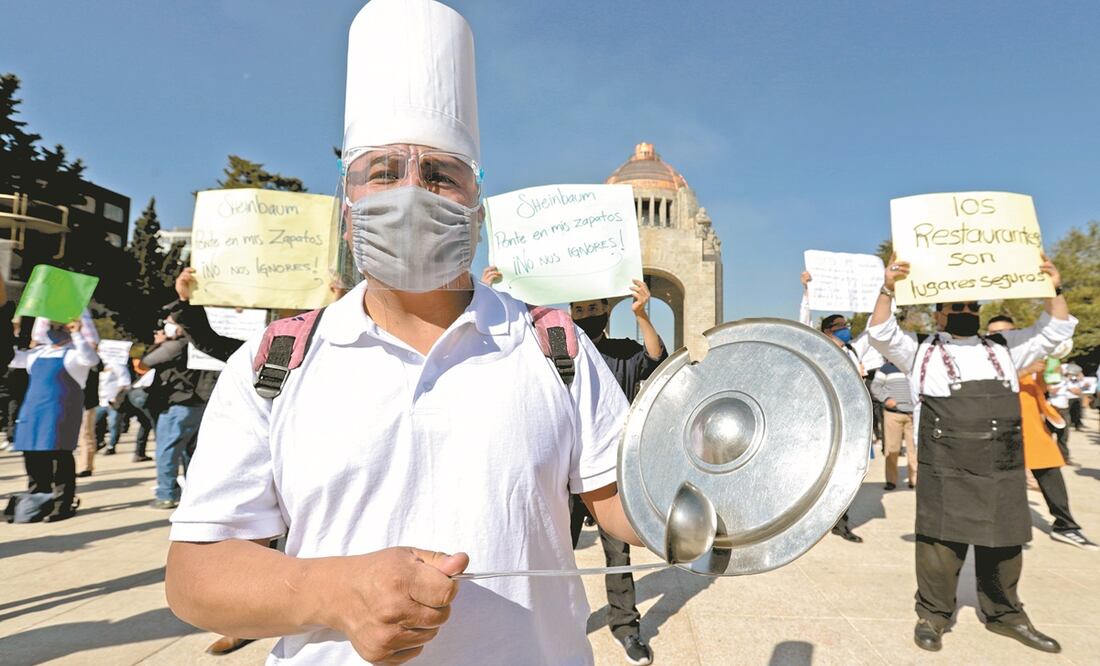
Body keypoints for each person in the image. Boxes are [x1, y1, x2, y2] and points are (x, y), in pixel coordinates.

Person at [165, 2, 640, 664]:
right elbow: (195, 577)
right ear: (348, 205)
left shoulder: (552, 345)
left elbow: (624, 504)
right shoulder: (275, 361)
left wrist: (722, 481)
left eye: (441, 174)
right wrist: (334, 591)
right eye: (384, 173)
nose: (413, 194)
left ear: (475, 207)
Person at [868, 254, 1073, 654]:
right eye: (956, 307)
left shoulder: (1006, 347)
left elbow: (1057, 329)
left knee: (1005, 543)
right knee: (939, 547)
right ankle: (933, 615)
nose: (966, 312)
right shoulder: (919, 350)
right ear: (938, 315)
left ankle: (1006, 615)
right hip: (945, 465)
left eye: (971, 306)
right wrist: (888, 288)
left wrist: (1054, 287)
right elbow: (880, 332)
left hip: (1001, 464)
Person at [557, 280, 666, 666]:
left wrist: (641, 315)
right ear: (570, 314)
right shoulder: (555, 352)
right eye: (580, 310)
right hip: (563, 475)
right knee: (557, 553)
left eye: (593, 308)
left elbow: (655, 358)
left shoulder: (623, 351)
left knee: (618, 553)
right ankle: (555, 623)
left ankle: (625, 626)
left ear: (607, 310)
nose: (587, 315)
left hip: (608, 472)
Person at [987, 315, 1096, 551]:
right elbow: (990, 385)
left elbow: (1045, 387)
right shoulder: (984, 358)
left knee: (1050, 473)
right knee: (1001, 482)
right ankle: (1002, 528)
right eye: (994, 334)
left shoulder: (1031, 354)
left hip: (1032, 426)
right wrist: (1025, 370)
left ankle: (1065, 525)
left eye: (1007, 332)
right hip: (998, 429)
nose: (1001, 337)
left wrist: (1046, 369)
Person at [10, 317, 100, 522]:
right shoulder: (37, 353)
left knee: (59, 457)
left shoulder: (75, 354)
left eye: (59, 327)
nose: (54, 330)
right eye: (52, 326)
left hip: (60, 412)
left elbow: (91, 360)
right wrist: (13, 331)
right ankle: (38, 500)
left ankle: (63, 502)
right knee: (32, 456)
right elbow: (11, 358)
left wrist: (77, 333)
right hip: (32, 411)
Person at [140, 314, 217, 509]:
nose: (165, 326)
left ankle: (166, 495)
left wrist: (159, 343)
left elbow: (145, 362)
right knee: (192, 452)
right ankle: (194, 493)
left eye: (170, 323)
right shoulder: (206, 345)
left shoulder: (176, 346)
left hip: (179, 404)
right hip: (199, 404)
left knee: (167, 450)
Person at [870, 361, 916, 490]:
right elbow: (875, 386)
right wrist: (886, 399)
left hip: (913, 415)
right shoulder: (886, 368)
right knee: (892, 448)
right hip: (893, 414)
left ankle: (915, 480)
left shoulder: (914, 365)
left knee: (914, 449)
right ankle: (891, 481)